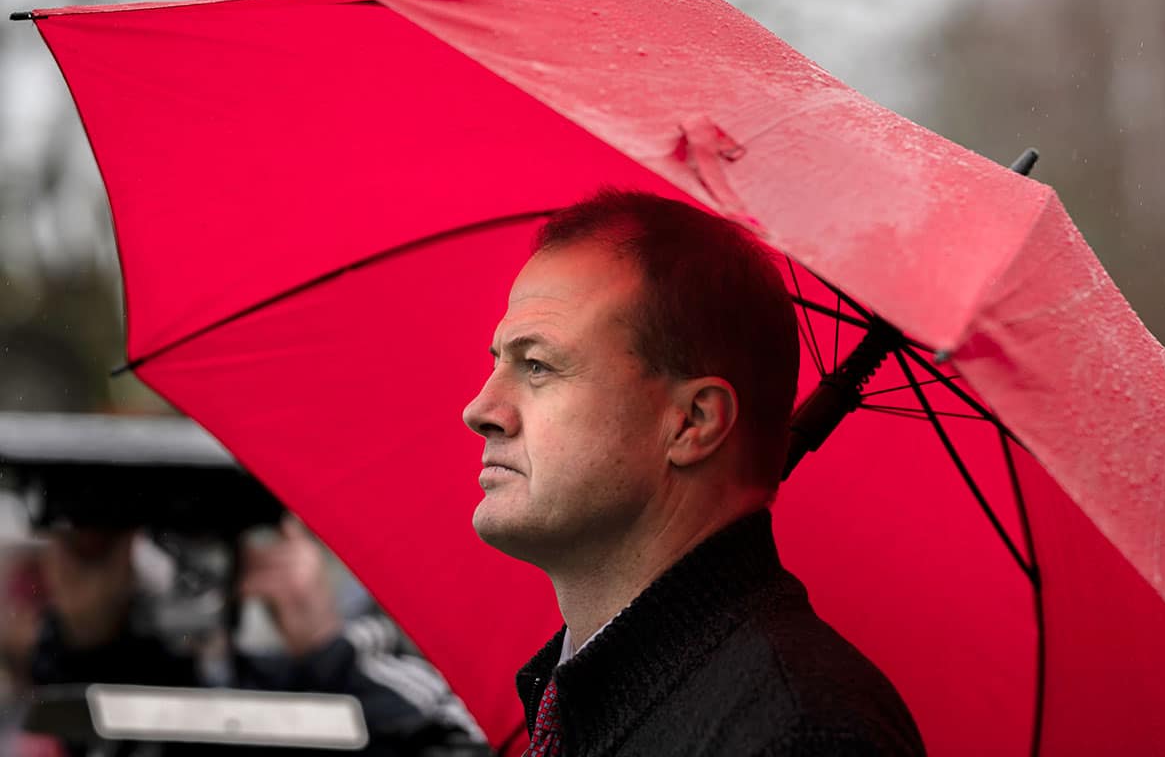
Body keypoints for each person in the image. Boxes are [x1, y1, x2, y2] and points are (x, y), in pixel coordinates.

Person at [462, 190, 925, 756]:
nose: (481, 410)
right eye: (498, 361)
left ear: (692, 422)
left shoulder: (799, 734)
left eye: (537, 365)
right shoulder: (587, 699)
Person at [28, 519, 491, 756]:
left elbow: (458, 739)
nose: (191, 567)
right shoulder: (130, 682)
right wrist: (87, 638)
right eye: (170, 539)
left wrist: (325, 647)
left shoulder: (344, 672)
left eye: (212, 539)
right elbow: (74, 725)